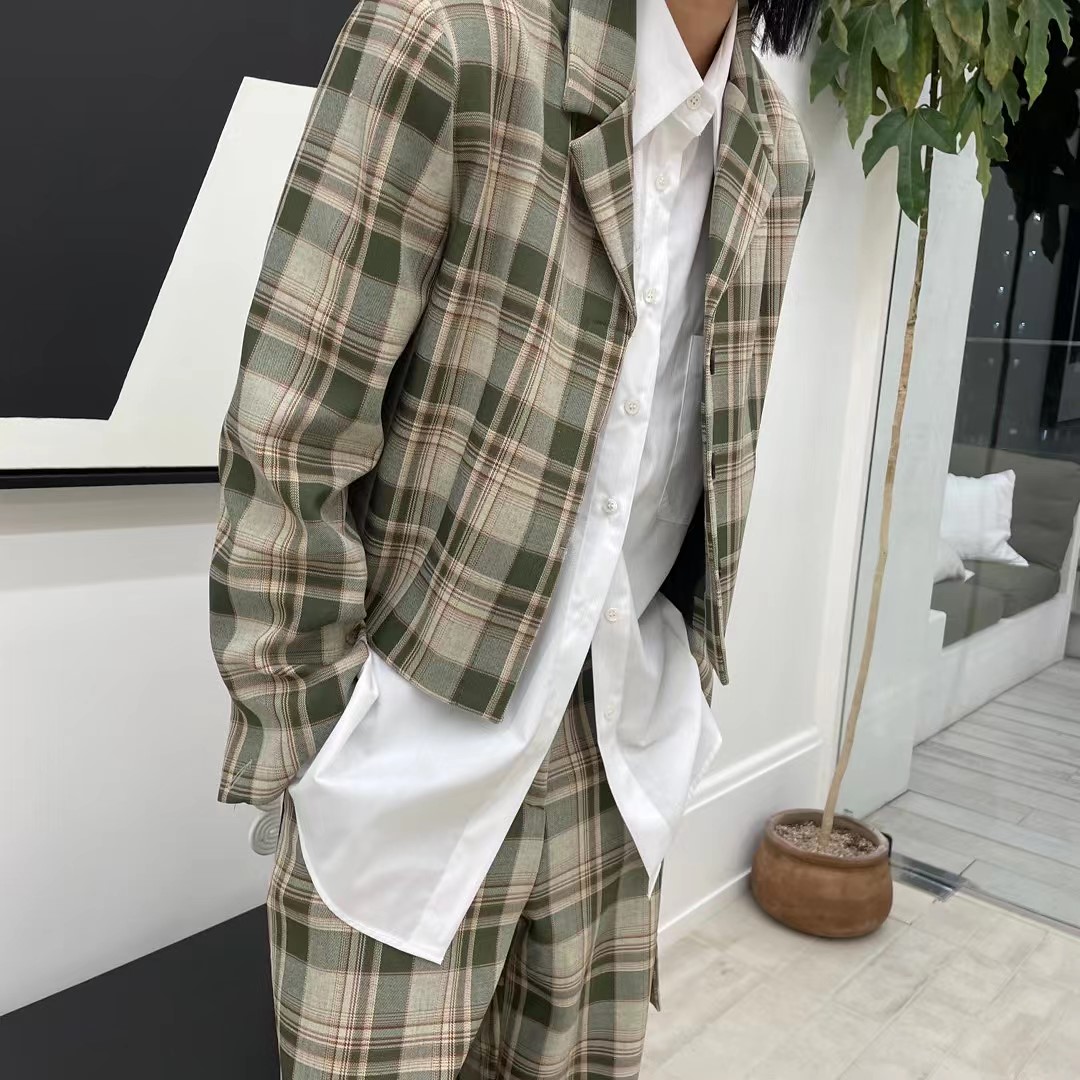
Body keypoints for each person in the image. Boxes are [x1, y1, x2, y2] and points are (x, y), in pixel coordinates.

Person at [209, 0, 818, 1076]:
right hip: (403, 754)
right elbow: (291, 430)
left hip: (615, 767)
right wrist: (315, 736)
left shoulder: (774, 153)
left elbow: (696, 464)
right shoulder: (451, 39)